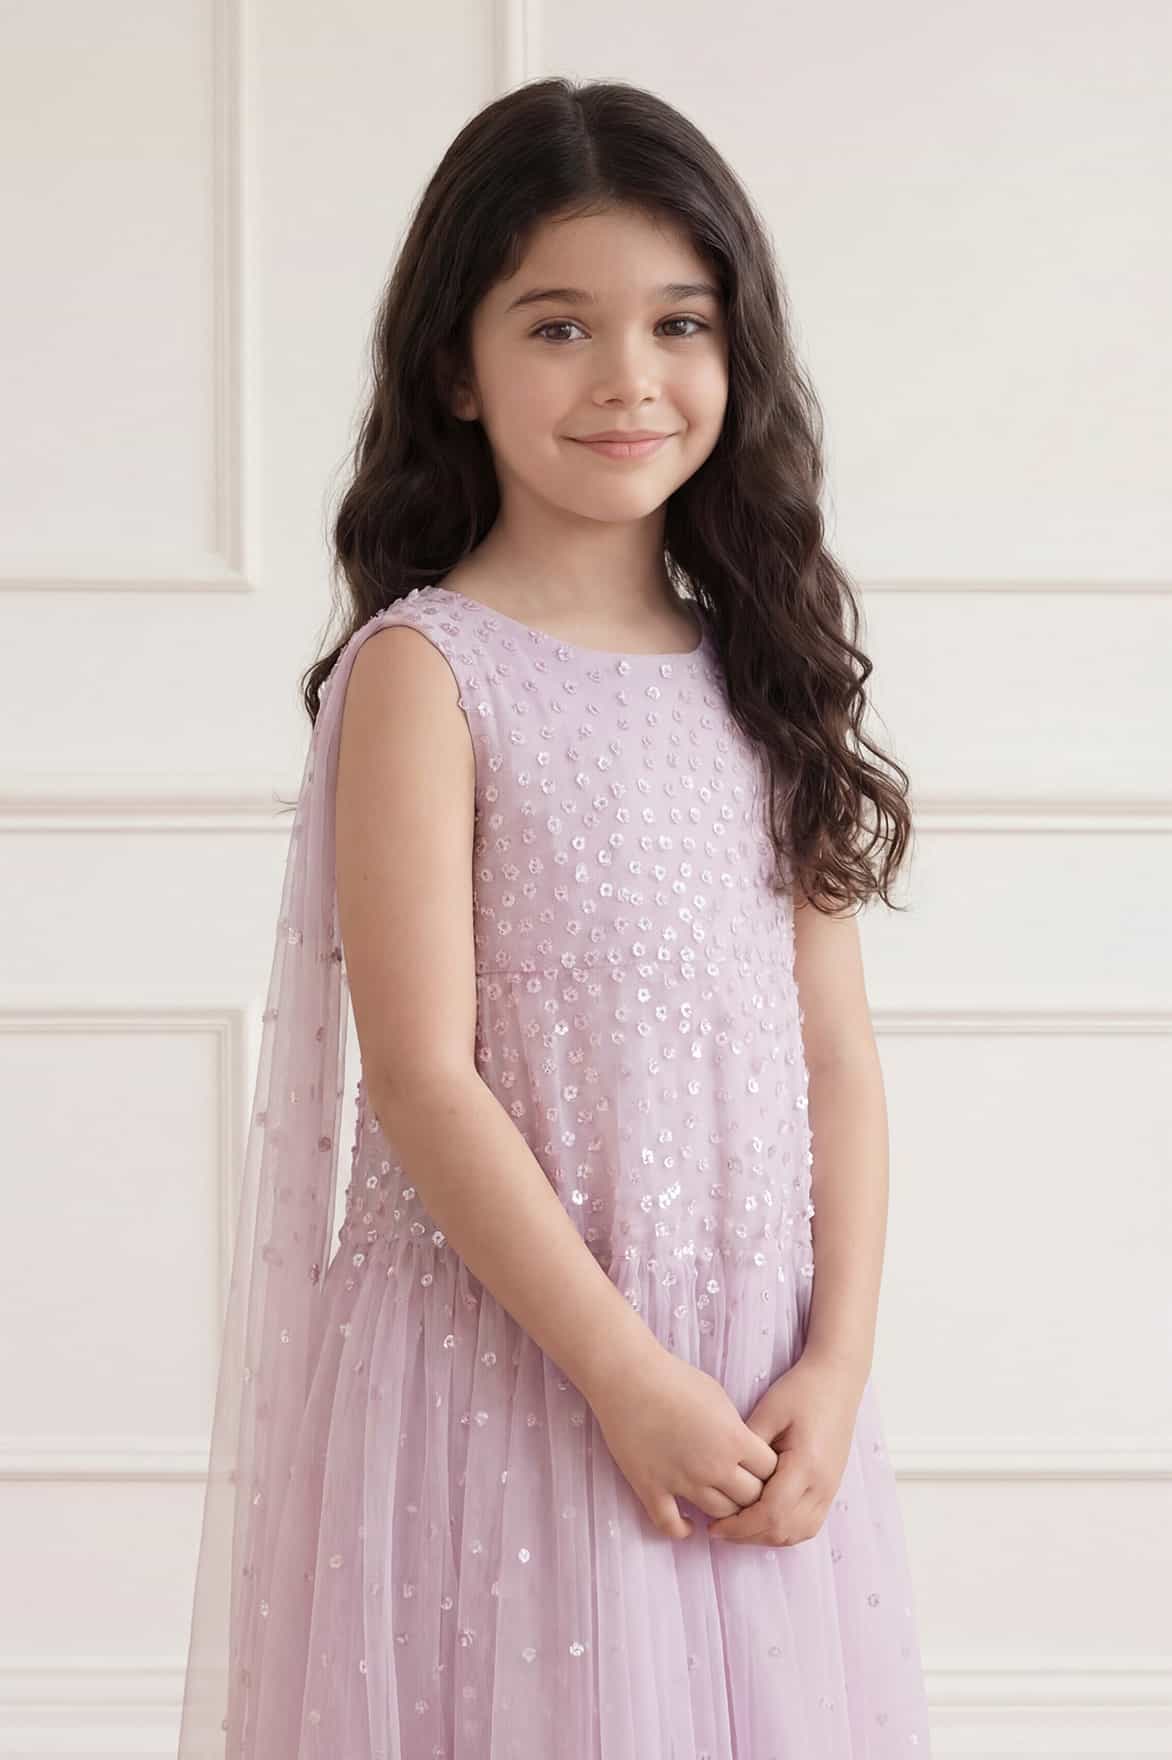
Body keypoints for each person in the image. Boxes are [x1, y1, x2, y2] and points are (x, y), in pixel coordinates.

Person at [178, 75, 933, 1759]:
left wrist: (837, 1360)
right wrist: (623, 1376)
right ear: (457, 366)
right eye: (559, 327)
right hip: (516, 1361)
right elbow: (422, 1077)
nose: (629, 378)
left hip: (750, 1370)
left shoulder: (763, 673)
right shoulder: (427, 673)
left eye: (679, 322)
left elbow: (837, 1056)